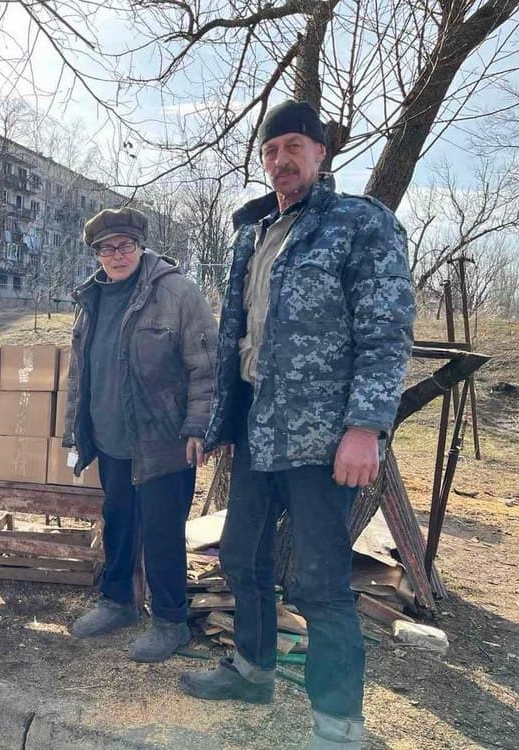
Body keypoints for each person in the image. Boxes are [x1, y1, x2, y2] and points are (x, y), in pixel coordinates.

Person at [179, 101, 415, 749]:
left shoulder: (358, 223)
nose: (281, 159)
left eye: (293, 146)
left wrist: (366, 427)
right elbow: (239, 334)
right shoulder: (253, 233)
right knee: (241, 556)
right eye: (270, 150)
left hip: (322, 436)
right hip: (257, 428)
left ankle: (338, 727)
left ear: (320, 152)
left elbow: (386, 330)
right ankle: (252, 671)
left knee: (320, 582)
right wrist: (221, 420)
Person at [63, 206, 218, 663]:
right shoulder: (91, 298)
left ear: (141, 245)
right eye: (106, 248)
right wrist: (75, 428)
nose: (117, 255)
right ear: (96, 254)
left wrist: (198, 426)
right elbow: (80, 372)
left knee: (162, 531)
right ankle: (117, 603)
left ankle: (170, 621)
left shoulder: (176, 292)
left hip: (162, 440)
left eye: (125, 245)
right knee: (118, 521)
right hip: (111, 437)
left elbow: (207, 365)